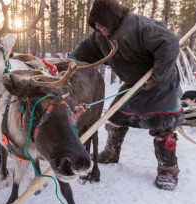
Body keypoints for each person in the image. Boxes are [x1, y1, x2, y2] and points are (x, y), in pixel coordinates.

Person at [70, 0, 183, 190]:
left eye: (102, 23)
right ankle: (111, 152)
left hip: (160, 82)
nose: (98, 27)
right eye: (95, 23)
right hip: (134, 84)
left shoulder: (140, 26)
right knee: (116, 116)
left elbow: (170, 43)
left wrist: (157, 75)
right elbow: (84, 51)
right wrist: (69, 64)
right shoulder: (100, 36)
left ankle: (168, 169)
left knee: (163, 128)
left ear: (113, 19)